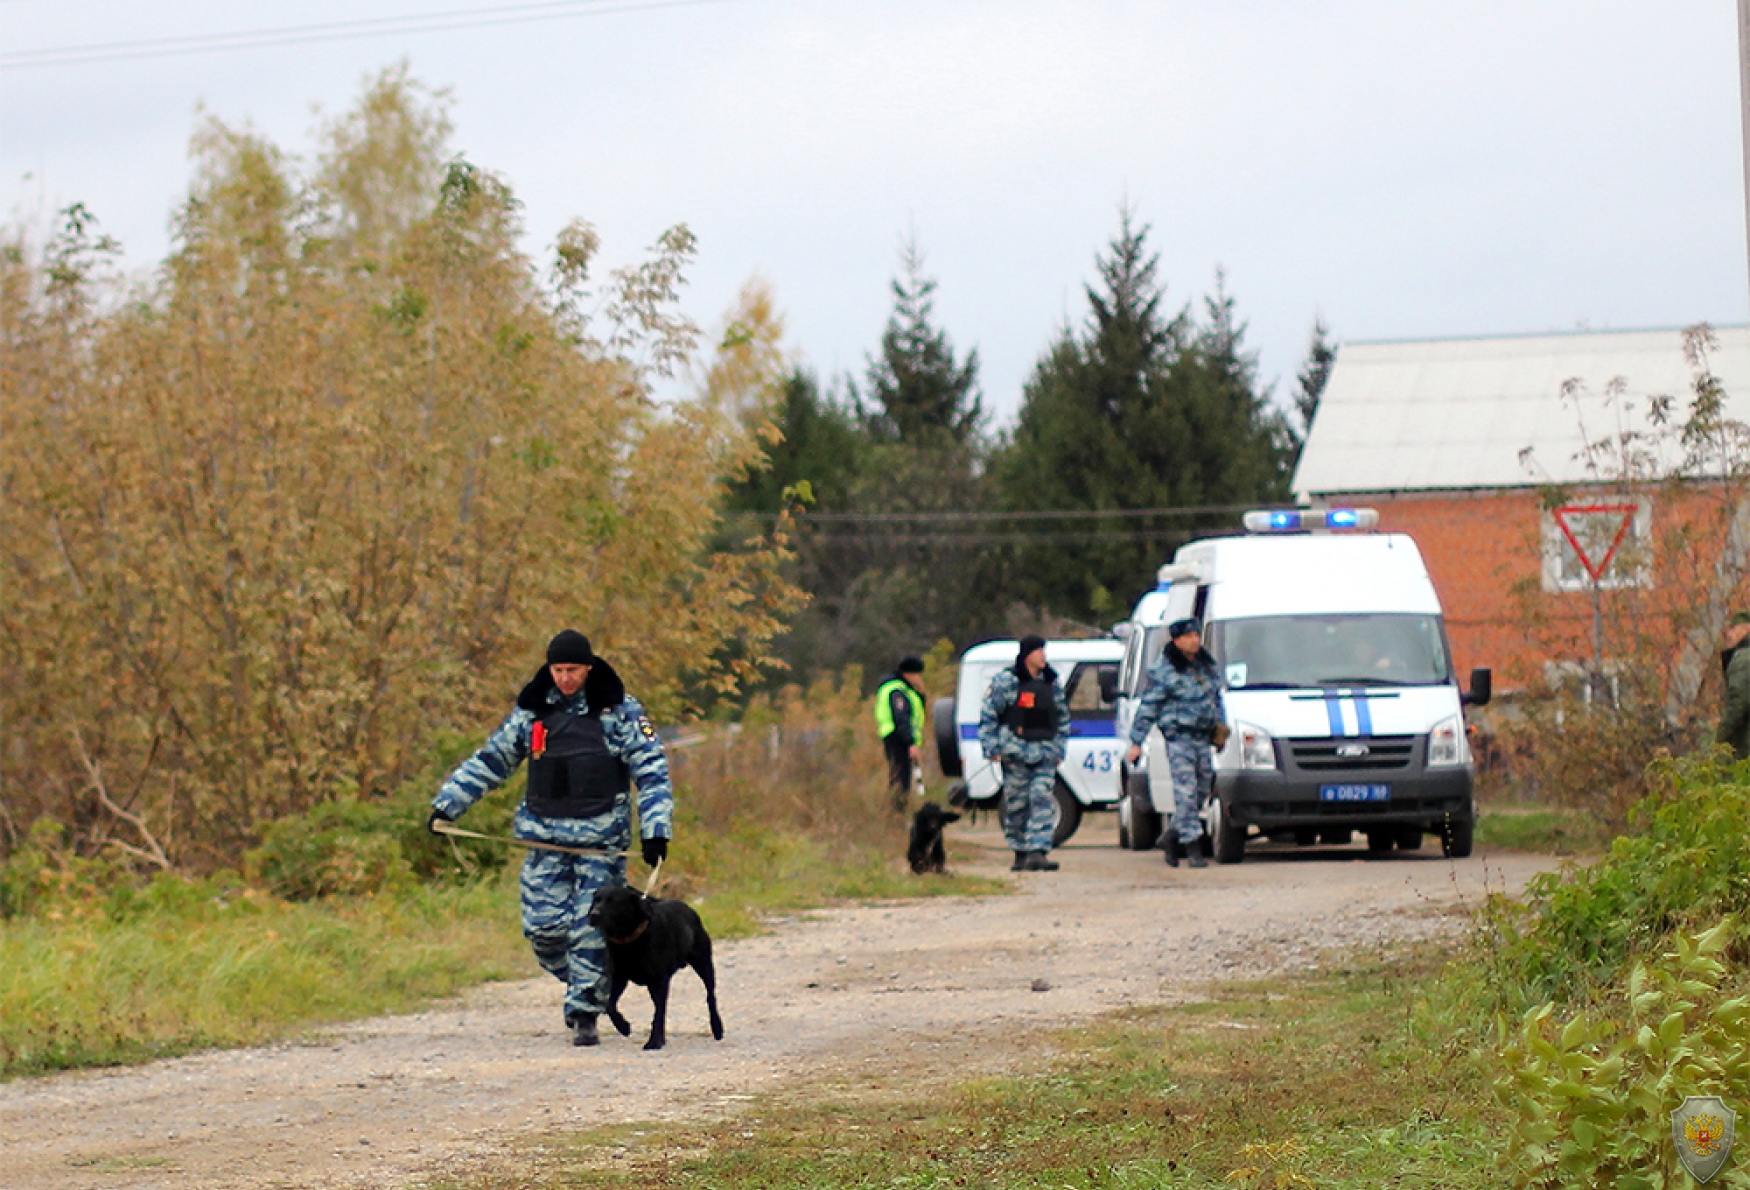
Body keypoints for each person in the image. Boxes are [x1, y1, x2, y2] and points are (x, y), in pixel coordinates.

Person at [428, 630, 672, 1048]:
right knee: (543, 930)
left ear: (588, 668)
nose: (565, 678)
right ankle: (597, 976)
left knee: (589, 928)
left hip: (601, 842)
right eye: (558, 670)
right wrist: (448, 804)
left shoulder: (621, 713)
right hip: (543, 841)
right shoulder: (533, 713)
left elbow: (652, 771)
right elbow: (492, 760)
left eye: (572, 670)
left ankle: (584, 1012)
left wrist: (655, 830)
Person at [1125, 617, 1227, 868]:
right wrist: (1136, 741)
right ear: (1176, 640)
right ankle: (1192, 849)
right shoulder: (1164, 671)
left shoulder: (1205, 666)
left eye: (1196, 635)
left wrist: (1220, 730)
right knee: (1186, 792)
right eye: (1189, 636)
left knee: (1202, 790)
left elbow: (1216, 699)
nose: (1195, 640)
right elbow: (1148, 707)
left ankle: (1171, 836)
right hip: (1179, 738)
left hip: (1202, 738)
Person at [978, 635, 1070, 872]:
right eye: (1039, 651)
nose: (1043, 656)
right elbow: (990, 715)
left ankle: (1038, 851)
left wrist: (1060, 748)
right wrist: (991, 747)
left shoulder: (1051, 683)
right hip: (1015, 752)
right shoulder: (1006, 682)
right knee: (1017, 803)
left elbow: (1061, 717)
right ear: (1027, 654)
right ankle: (1020, 850)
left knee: (1042, 798)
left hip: (1045, 752)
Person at [874, 656, 928, 812]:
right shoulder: (897, 691)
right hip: (898, 738)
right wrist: (910, 742)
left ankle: (898, 811)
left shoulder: (900, 689)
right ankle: (897, 813)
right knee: (900, 778)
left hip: (897, 737)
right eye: (917, 674)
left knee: (901, 776)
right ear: (908, 674)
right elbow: (902, 718)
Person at [1717, 611, 1750, 761]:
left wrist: (1719, 741)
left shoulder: (1743, 658)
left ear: (1747, 629)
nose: (1728, 634)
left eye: (1733, 628)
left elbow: (1738, 703)